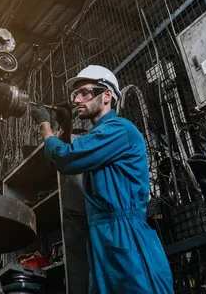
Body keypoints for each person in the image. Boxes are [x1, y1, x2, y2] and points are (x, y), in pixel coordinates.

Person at [30, 65, 173, 294]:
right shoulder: (99, 136)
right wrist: (65, 129)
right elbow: (64, 157)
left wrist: (44, 126)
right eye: (75, 94)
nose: (77, 99)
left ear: (107, 95)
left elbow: (66, 158)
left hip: (125, 234)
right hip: (103, 236)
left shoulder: (118, 129)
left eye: (84, 92)